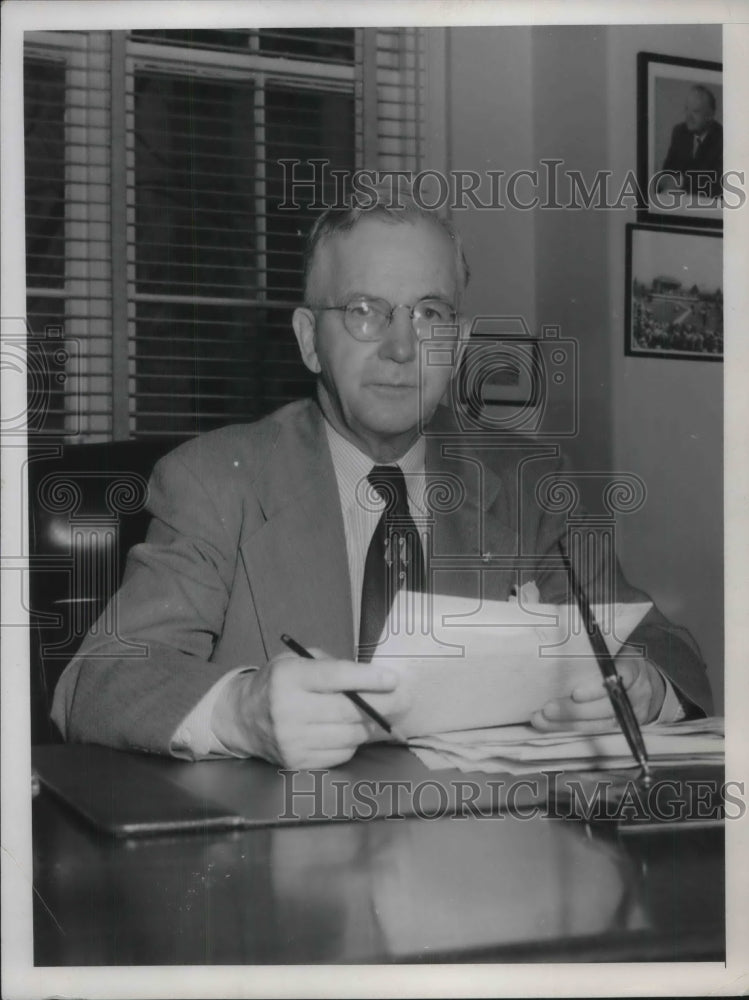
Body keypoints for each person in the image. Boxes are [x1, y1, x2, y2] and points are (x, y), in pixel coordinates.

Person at [51, 184, 712, 768]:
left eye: (428, 313)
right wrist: (239, 711)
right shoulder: (215, 481)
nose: (400, 348)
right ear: (310, 339)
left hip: (481, 864)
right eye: (365, 311)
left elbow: (662, 645)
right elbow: (98, 681)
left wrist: (639, 686)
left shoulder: (526, 481)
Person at [658, 84, 723, 199]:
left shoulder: (722, 138)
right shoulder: (679, 132)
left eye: (695, 111)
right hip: (677, 202)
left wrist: (681, 182)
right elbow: (667, 172)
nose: (688, 116)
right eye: (686, 109)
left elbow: (717, 184)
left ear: (710, 115)